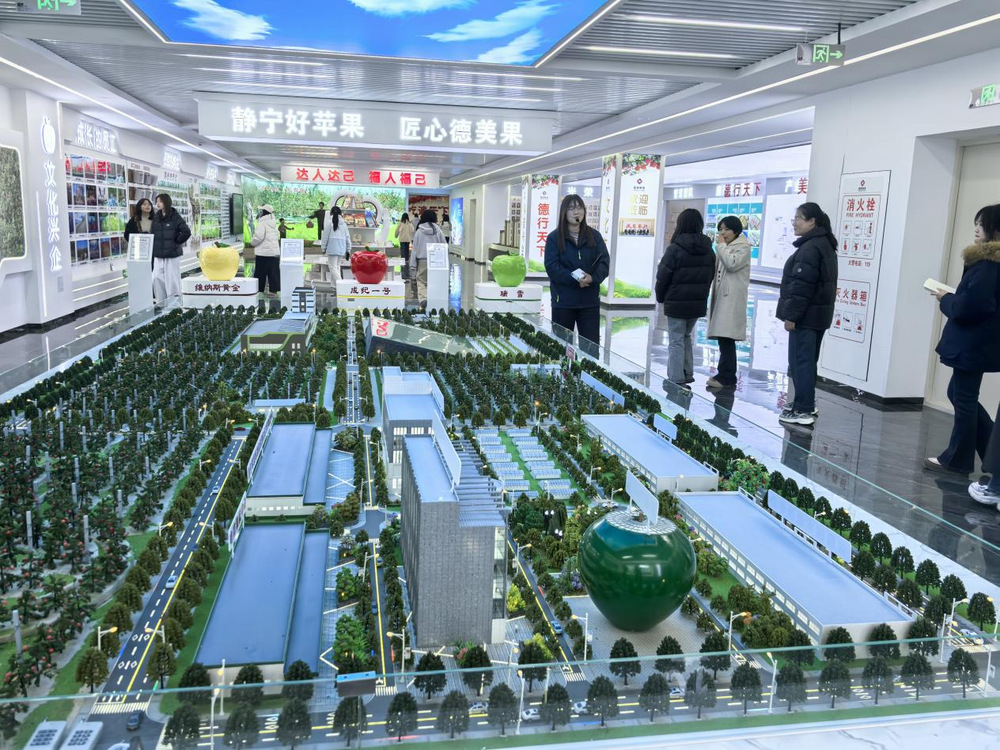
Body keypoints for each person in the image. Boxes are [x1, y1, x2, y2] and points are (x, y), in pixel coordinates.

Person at [927, 204, 1000, 480]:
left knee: (964, 399)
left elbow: (972, 307)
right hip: (979, 343)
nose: (976, 229)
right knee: (958, 394)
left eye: (982, 224)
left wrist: (945, 298)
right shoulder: (987, 264)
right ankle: (992, 453)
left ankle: (957, 460)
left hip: (974, 344)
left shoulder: (988, 266)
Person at [776, 202, 838, 426]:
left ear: (812, 221)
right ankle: (805, 402)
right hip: (817, 315)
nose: (794, 222)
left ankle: (803, 410)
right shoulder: (824, 243)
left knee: (800, 361)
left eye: (799, 218)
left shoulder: (811, 248)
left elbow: (802, 286)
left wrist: (791, 315)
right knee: (808, 361)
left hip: (806, 316)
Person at [543, 194, 610, 356]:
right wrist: (575, 279)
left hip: (589, 301)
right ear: (564, 212)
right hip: (564, 301)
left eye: (579, 208)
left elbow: (604, 262)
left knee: (591, 348)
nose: (576, 212)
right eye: (571, 208)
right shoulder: (554, 238)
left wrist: (593, 278)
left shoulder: (594, 236)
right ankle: (564, 371)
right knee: (561, 347)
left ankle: (588, 371)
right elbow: (552, 267)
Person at [655, 208, 715, 388]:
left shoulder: (675, 249)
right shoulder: (708, 249)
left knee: (676, 340)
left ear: (680, 224)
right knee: (686, 336)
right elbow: (709, 276)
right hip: (697, 303)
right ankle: (687, 372)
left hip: (676, 302)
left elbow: (663, 276)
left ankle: (676, 378)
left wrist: (660, 297)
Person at [706, 215, 752, 389]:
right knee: (723, 337)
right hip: (723, 296)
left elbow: (732, 264)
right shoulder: (727, 246)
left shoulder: (743, 247)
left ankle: (727, 376)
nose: (723, 233)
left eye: (726, 229)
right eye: (720, 229)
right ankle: (724, 373)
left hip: (732, 298)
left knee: (727, 337)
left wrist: (721, 246)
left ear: (736, 231)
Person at [150, 193, 191, 302]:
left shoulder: (175, 216)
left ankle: (174, 305)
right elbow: (153, 233)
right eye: (157, 201)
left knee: (172, 281)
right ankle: (161, 303)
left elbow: (186, 232)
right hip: (158, 254)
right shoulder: (156, 217)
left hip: (172, 254)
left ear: (166, 202)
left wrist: (176, 241)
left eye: (160, 201)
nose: (158, 204)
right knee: (156, 278)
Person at [410, 209, 446, 302]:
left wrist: (413, 265)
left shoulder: (419, 232)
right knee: (434, 280)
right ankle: (434, 299)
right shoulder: (438, 231)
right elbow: (444, 246)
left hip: (422, 260)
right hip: (436, 261)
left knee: (421, 281)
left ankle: (423, 299)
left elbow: (415, 249)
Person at [250, 203, 281, 302]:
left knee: (260, 273)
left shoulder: (262, 223)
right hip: (274, 252)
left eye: (261, 211)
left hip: (263, 253)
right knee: (274, 272)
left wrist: (252, 243)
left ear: (264, 212)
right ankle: (274, 291)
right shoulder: (274, 223)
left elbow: (258, 237)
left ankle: (259, 291)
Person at [320, 206, 350, 285]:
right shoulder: (344, 224)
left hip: (332, 248)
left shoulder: (329, 223)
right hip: (341, 248)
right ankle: (335, 287)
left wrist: (323, 248)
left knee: (332, 267)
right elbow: (347, 238)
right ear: (341, 213)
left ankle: (341, 285)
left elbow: (325, 237)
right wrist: (348, 250)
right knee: (337, 267)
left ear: (331, 213)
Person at [397, 212, 414, 280]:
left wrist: (396, 235)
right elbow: (412, 230)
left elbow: (397, 231)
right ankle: (407, 273)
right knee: (407, 255)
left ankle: (403, 273)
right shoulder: (410, 224)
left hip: (402, 240)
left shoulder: (401, 223)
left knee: (402, 254)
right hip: (408, 240)